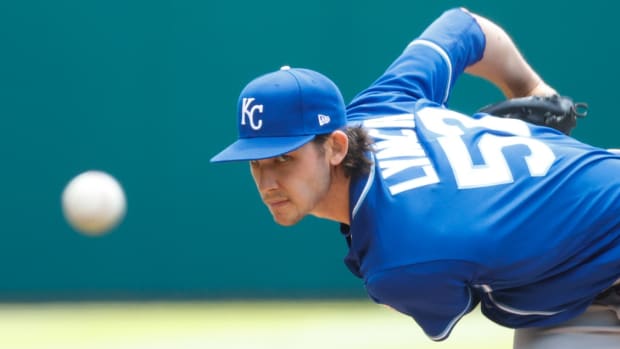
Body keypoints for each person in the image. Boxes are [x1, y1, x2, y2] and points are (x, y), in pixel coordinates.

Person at [210, 7, 620, 349]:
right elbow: (463, 25)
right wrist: (532, 88)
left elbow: (443, 296)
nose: (268, 181)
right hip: (589, 260)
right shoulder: (380, 107)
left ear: (335, 146)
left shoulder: (402, 260)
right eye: (256, 161)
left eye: (285, 157)